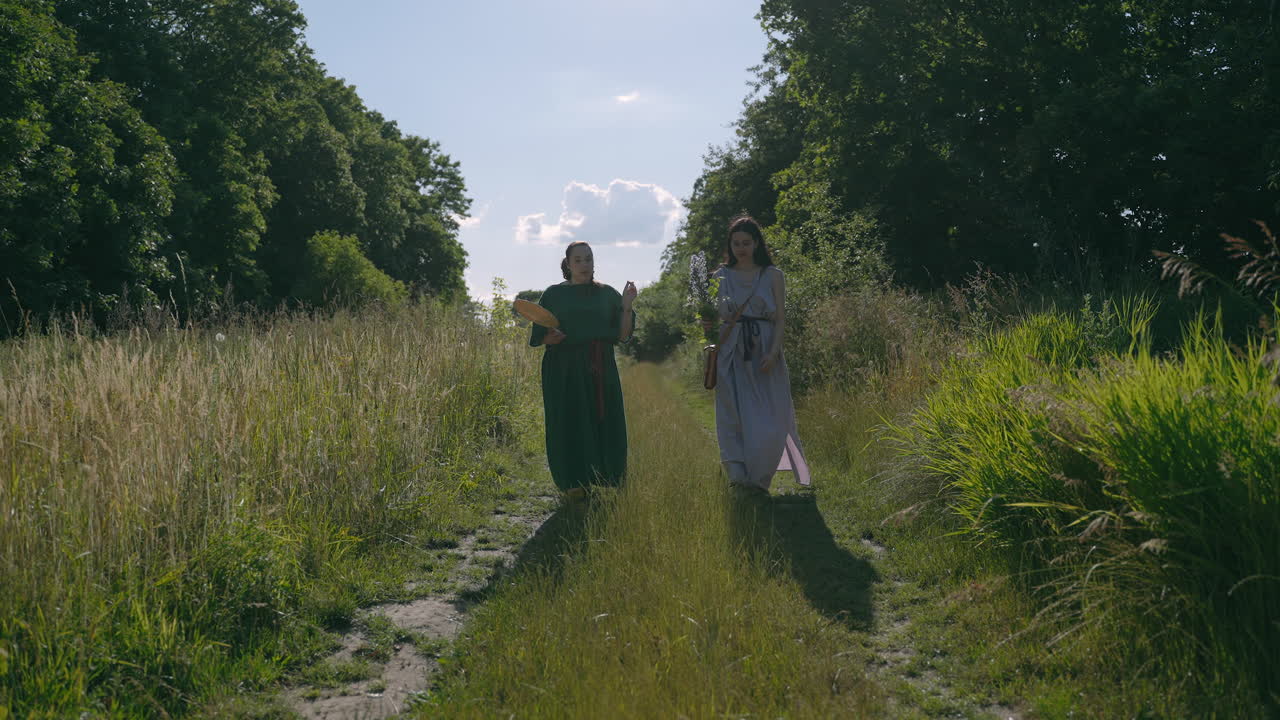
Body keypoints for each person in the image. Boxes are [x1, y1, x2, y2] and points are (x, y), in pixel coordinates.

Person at [703, 215, 811, 492]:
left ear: (757, 243)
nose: (741, 248)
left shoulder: (773, 275)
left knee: (772, 419)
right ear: (730, 244)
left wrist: (774, 352)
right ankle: (738, 475)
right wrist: (707, 325)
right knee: (733, 414)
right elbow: (712, 320)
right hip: (731, 351)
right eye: (736, 243)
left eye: (747, 243)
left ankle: (760, 477)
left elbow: (780, 319)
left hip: (764, 349)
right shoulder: (720, 276)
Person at [529, 241, 637, 499]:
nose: (584, 265)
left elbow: (623, 335)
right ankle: (573, 484)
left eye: (588, 259)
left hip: (600, 366)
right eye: (578, 260)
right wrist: (549, 338)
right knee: (567, 421)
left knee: (604, 419)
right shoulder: (553, 294)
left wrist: (627, 304)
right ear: (568, 264)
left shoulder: (607, 294)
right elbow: (540, 334)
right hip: (562, 367)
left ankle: (604, 477)